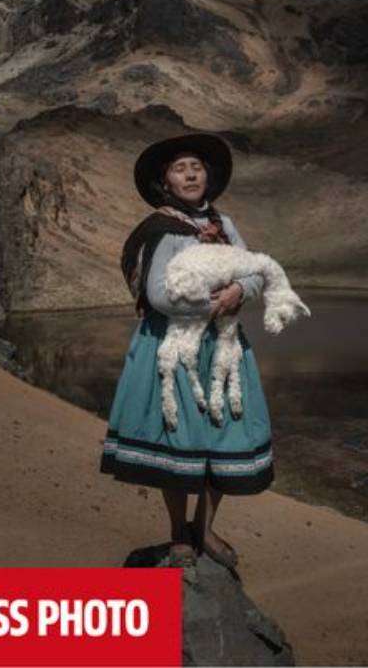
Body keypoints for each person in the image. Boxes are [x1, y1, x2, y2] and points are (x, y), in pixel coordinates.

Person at [99, 132, 274, 570]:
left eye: (196, 166)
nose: (191, 173)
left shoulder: (224, 225)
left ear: (208, 176)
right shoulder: (163, 231)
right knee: (178, 441)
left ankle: (204, 526)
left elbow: (255, 271)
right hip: (175, 349)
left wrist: (238, 290)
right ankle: (179, 532)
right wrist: (208, 304)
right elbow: (158, 294)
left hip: (222, 347)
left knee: (223, 431)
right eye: (180, 168)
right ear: (166, 182)